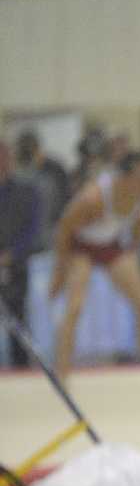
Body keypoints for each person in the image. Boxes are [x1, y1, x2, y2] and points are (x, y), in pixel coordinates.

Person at [49, 151, 140, 383]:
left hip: (112, 245)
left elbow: (137, 224)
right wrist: (59, 273)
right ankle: (62, 373)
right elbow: (64, 230)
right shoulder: (94, 198)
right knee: (74, 307)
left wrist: (133, 251)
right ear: (124, 178)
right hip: (80, 247)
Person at [0, 140, 42, 367]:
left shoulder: (26, 191)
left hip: (14, 265)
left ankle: (21, 364)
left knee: (17, 317)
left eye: (5, 156)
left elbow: (32, 229)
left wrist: (12, 254)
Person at [14, 129, 70, 251]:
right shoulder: (18, 174)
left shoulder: (54, 169)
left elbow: (65, 199)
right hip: (27, 236)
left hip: (50, 231)